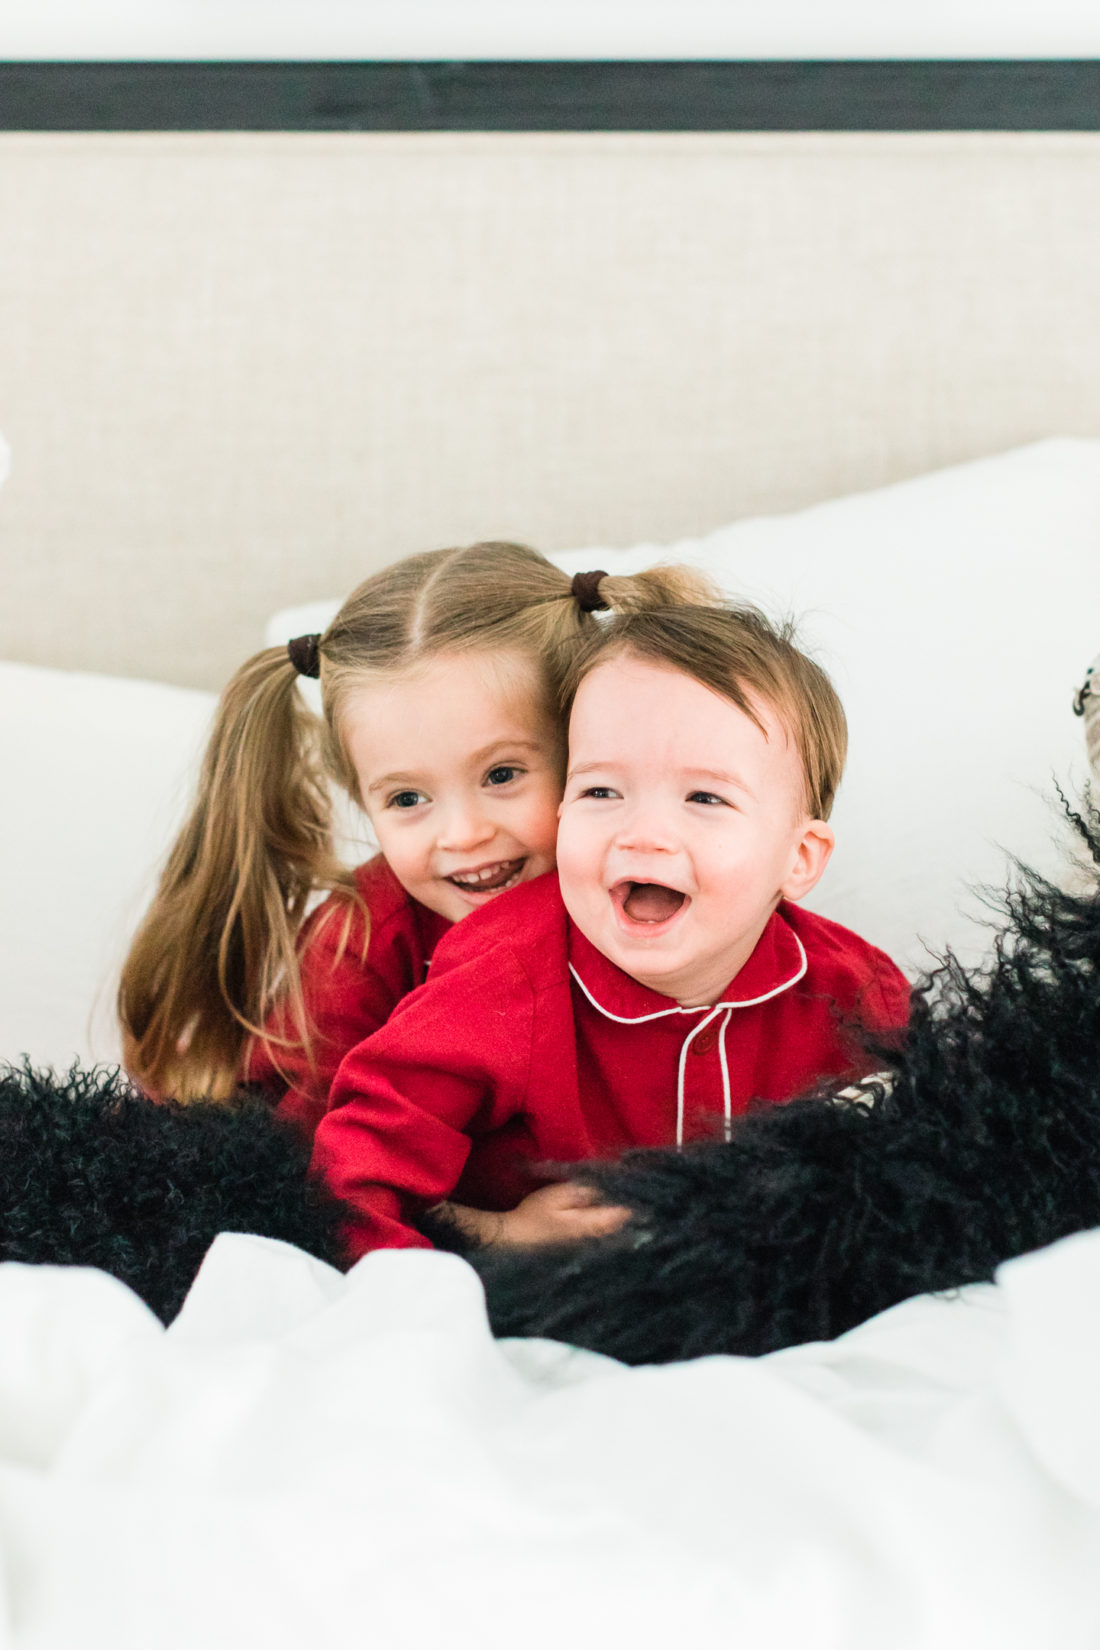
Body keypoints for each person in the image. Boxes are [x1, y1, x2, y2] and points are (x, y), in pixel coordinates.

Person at [309, 577, 912, 1255]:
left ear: (798, 858)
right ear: (565, 809)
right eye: (601, 790)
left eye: (705, 798)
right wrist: (485, 1244)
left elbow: (926, 1164)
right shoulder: (505, 976)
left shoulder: (855, 991)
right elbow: (352, 1175)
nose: (643, 834)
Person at [119, 541, 610, 1135]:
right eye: (407, 799)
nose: (463, 834)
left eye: (501, 775)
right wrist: (491, 1230)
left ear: (589, 747)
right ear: (362, 798)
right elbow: (295, 1167)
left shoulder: (656, 887)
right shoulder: (360, 941)